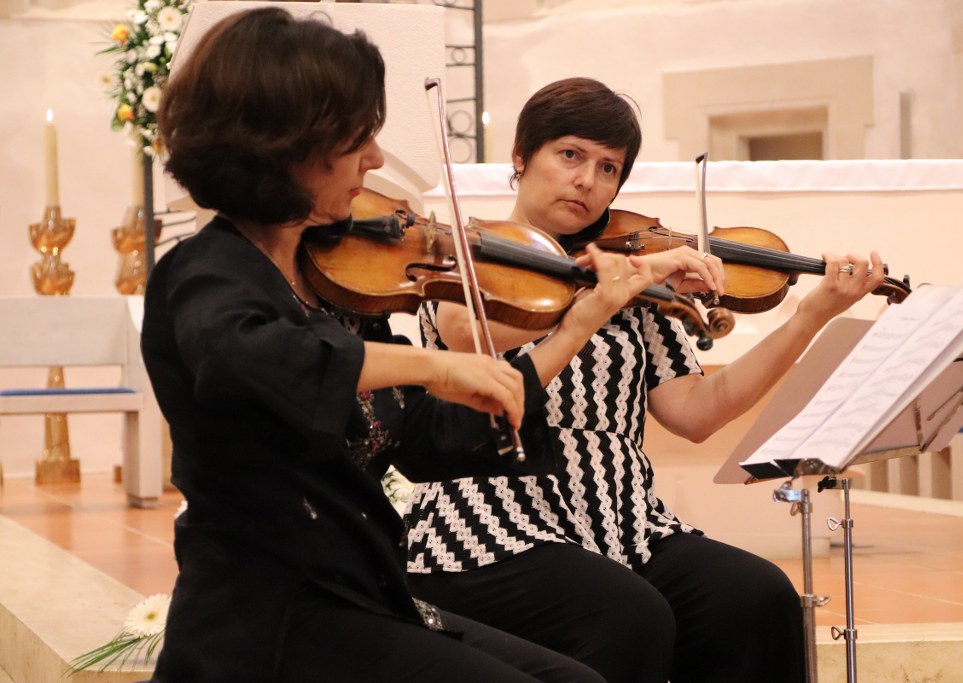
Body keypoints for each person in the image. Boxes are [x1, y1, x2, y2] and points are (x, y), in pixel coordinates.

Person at [143, 13, 655, 682]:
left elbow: (426, 437)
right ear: (287, 142)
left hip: (361, 592)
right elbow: (253, 356)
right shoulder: (206, 273)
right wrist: (434, 363)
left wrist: (577, 324)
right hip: (266, 620)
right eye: (358, 138)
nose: (377, 160)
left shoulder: (336, 283)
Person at [404, 77, 887, 683]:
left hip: (623, 522)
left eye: (609, 168)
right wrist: (613, 282)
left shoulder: (634, 286)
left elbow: (697, 411)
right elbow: (467, 330)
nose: (588, 180)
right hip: (488, 524)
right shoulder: (470, 253)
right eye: (571, 155)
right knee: (626, 614)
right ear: (522, 157)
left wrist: (810, 316)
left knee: (756, 596)